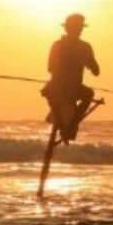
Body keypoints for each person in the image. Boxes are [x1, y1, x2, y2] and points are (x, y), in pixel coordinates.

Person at [41, 13, 100, 141]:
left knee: (87, 93)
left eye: (79, 28)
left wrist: (86, 61)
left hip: (64, 88)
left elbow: (96, 71)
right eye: (76, 28)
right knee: (88, 94)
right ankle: (70, 125)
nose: (78, 31)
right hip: (64, 88)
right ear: (68, 29)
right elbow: (51, 68)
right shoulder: (73, 46)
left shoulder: (80, 47)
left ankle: (68, 125)